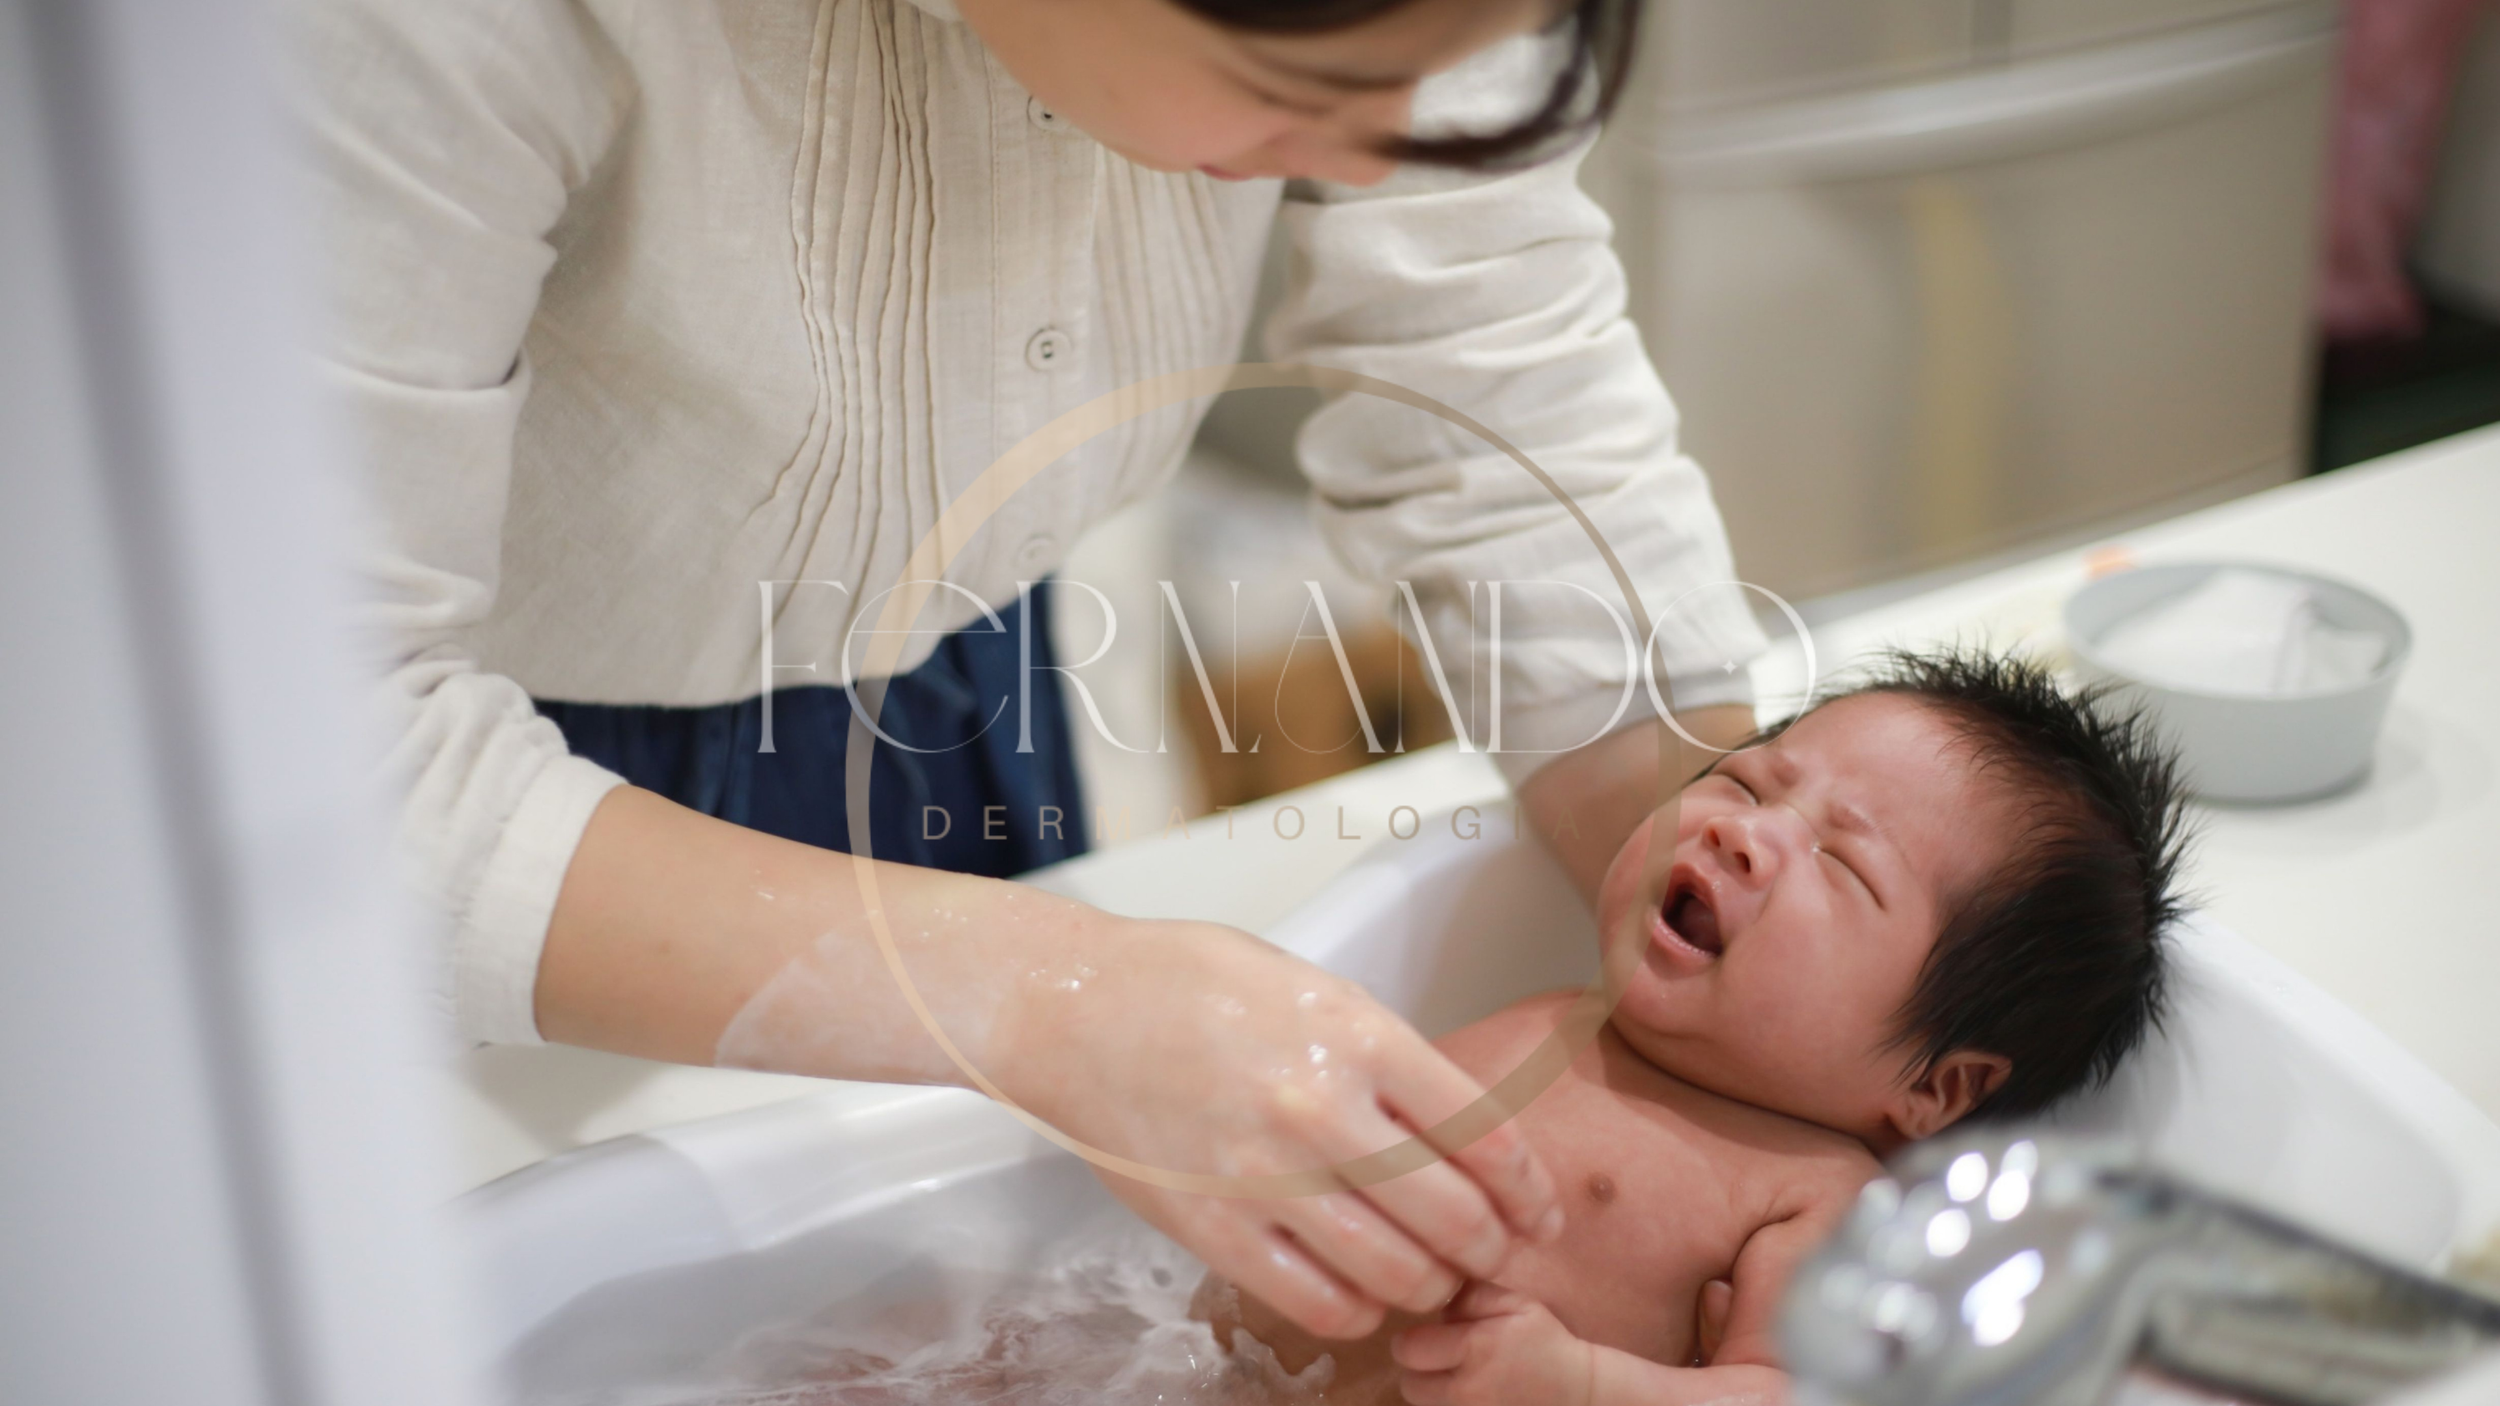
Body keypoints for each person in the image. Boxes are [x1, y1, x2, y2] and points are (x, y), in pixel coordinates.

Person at [296, 0, 1769, 1342]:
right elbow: (322, 765)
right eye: (1300, 93)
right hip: (486, 788)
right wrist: (1057, 1002)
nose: (1381, 169)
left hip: (951, 680)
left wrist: (1783, 939)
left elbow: (1495, 356)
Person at [1196, 651, 2192, 1404]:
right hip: (1168, 1355)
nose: (1741, 831)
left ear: (1938, 1086)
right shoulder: (1557, 1011)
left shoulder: (1813, 1190)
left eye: (1841, 865)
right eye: (1746, 779)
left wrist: (1579, 1382)